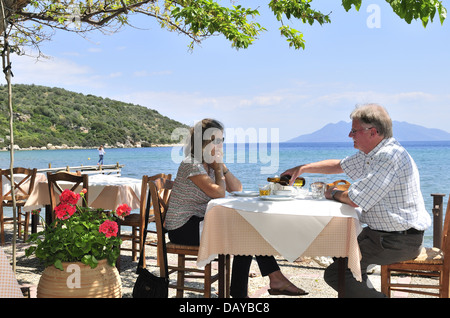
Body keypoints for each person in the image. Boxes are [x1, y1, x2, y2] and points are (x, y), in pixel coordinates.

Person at [282, 103, 431, 297]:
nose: (350, 135)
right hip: (385, 236)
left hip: (398, 241)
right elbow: (339, 165)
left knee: (338, 273)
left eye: (354, 130)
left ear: (373, 132)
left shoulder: (387, 157)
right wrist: (302, 168)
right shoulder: (374, 153)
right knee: (339, 247)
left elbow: (354, 199)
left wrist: (332, 193)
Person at [165, 118, 307, 298]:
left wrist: (221, 167)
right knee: (246, 233)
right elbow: (219, 193)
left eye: (221, 140)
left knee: (247, 230)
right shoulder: (191, 164)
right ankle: (261, 284)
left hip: (198, 223)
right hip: (182, 228)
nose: (220, 145)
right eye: (215, 140)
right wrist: (217, 170)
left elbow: (237, 188)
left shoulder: (209, 164)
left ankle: (258, 285)